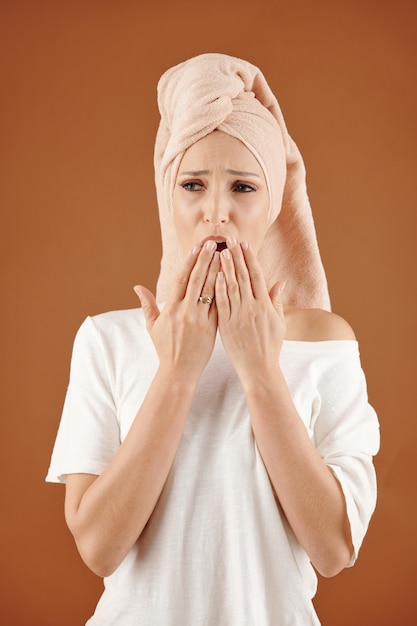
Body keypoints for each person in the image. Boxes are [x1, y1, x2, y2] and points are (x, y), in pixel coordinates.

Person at [46, 53, 380, 625]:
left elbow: (334, 550)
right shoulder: (106, 340)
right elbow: (98, 547)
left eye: (243, 187)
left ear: (272, 204)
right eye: (193, 184)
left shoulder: (324, 343)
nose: (216, 212)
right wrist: (178, 371)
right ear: (166, 197)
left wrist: (259, 371)